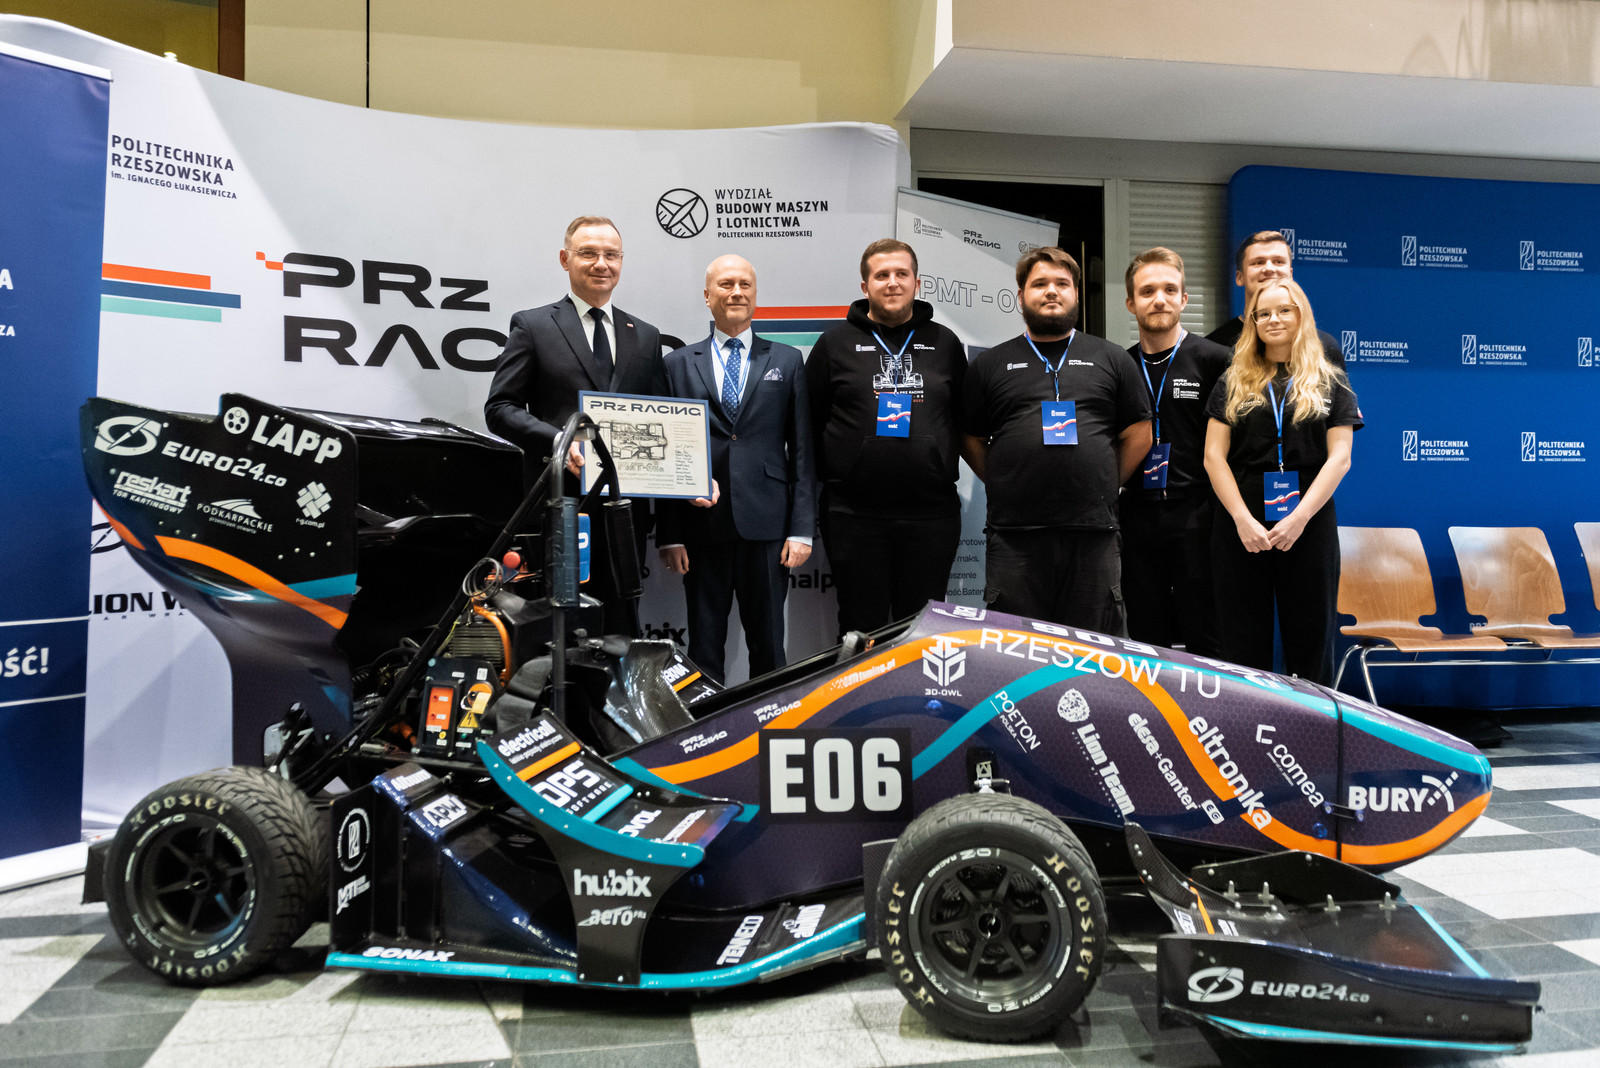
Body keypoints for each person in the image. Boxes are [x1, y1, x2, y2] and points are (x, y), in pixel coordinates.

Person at [484, 215, 668, 637]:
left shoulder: (646, 335)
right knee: (560, 628)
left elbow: (659, 420)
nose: (601, 263)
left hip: (625, 510)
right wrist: (558, 440)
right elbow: (500, 408)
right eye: (588, 253)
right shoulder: (533, 325)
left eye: (611, 255)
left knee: (621, 625)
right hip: (561, 505)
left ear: (621, 262)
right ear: (565, 259)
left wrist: (689, 474)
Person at [961, 247, 1151, 632]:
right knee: (1016, 649)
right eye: (1040, 284)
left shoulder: (1112, 358)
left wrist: (1105, 480)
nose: (1051, 291)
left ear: (1076, 293)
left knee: (1093, 648)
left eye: (1062, 284)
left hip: (1093, 535)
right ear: (1020, 296)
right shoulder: (989, 365)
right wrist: (1005, 478)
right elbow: (969, 437)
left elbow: (1139, 432)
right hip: (1015, 537)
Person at [657, 254, 816, 683]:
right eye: (726, 284)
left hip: (768, 527)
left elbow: (803, 449)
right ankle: (708, 723)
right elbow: (666, 451)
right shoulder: (676, 364)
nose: (736, 292)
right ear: (707, 296)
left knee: (769, 645)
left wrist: (802, 529)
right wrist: (670, 534)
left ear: (756, 295)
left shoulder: (787, 360)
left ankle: (772, 718)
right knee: (703, 647)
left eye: (745, 284)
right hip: (701, 526)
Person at [806, 239, 971, 637]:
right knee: (860, 629)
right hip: (853, 516)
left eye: (901, 274)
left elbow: (965, 421)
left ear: (917, 283)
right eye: (882, 275)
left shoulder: (946, 343)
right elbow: (809, 423)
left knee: (922, 631)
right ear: (865, 286)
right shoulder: (834, 344)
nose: (892, 283)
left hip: (932, 516)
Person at [1204, 278, 1361, 685]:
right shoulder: (1233, 380)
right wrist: (1242, 519)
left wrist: (1299, 519)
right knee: (1241, 639)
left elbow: (1340, 458)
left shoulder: (1330, 379)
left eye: (1284, 310)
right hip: (1241, 521)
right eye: (1263, 313)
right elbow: (1213, 457)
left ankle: (1313, 721)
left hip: (1308, 519)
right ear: (1253, 323)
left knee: (1311, 638)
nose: (1273, 319)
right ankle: (1245, 720)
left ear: (1301, 315)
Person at [1119, 248, 1230, 655]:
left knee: (1205, 629)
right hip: (1136, 513)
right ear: (1131, 303)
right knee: (1144, 632)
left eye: (1169, 290)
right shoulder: (1119, 365)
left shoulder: (1215, 359)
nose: (1159, 299)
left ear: (1184, 299)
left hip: (1199, 513)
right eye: (1147, 291)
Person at [1206, 230, 1344, 368]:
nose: (1269, 268)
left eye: (1278, 261)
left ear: (1290, 274)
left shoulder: (1324, 346)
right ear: (1239, 277)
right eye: (1258, 262)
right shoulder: (1214, 346)